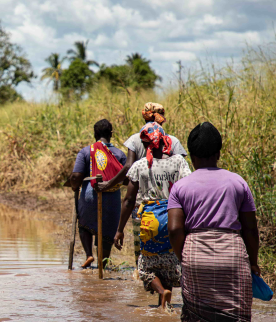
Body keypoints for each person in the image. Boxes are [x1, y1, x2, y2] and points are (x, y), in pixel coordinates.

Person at [167, 121, 259, 322]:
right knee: (237, 321)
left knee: (198, 318)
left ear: (192, 155)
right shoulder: (237, 182)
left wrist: (183, 255)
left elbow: (175, 229)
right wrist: (253, 260)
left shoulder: (181, 187)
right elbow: (250, 229)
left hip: (195, 251)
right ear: (219, 152)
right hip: (232, 251)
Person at [96, 102, 187, 266]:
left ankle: (143, 275)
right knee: (170, 249)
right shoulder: (173, 141)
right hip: (171, 206)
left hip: (143, 205)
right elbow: (183, 175)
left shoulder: (136, 139)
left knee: (142, 248)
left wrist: (109, 183)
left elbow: (129, 168)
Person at [113, 122, 191, 309]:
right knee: (172, 257)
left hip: (149, 220)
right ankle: (171, 297)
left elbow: (129, 200)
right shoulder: (178, 161)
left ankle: (162, 292)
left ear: (146, 144)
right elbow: (189, 189)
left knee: (146, 265)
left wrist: (119, 230)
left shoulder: (140, 165)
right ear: (165, 141)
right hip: (174, 217)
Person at [70, 119, 127, 268]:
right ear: (111, 134)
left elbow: (76, 177)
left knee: (84, 225)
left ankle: (89, 255)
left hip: (90, 197)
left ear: (95, 134)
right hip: (111, 200)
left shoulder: (86, 152)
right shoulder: (119, 154)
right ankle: (103, 261)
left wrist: (74, 186)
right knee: (107, 229)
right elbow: (127, 178)